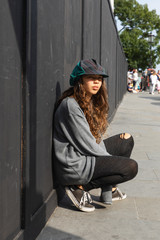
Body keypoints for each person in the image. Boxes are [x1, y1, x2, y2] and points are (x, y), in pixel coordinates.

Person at [53, 59, 138, 212]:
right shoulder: (70, 105)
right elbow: (87, 144)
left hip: (86, 155)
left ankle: (109, 190)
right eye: (91, 78)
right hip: (75, 164)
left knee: (126, 139)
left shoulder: (88, 101)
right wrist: (112, 163)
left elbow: (95, 138)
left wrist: (110, 165)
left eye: (99, 79)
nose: (96, 82)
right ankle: (78, 186)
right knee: (130, 167)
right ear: (80, 81)